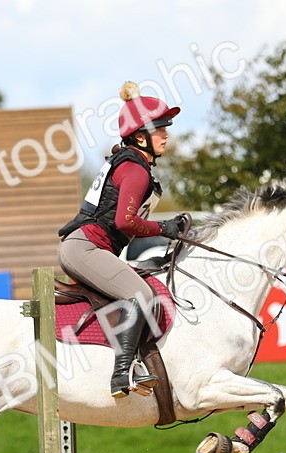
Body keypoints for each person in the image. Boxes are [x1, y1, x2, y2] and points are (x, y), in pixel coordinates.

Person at [57, 81, 188, 398]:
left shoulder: (131, 162)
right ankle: (122, 374)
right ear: (140, 137)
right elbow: (124, 221)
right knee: (140, 294)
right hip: (85, 248)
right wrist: (164, 228)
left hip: (87, 246)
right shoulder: (135, 169)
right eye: (160, 129)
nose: (166, 135)